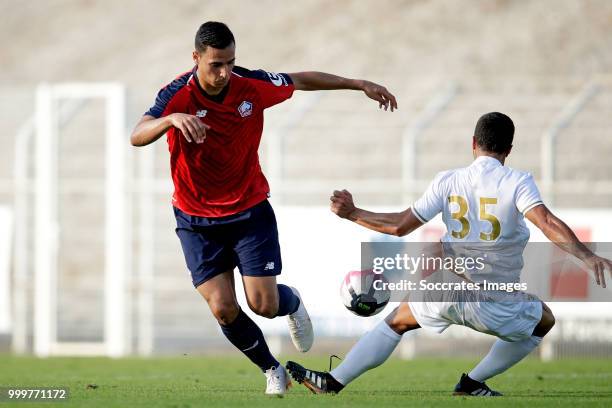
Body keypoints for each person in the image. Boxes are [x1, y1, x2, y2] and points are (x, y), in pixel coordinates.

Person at [130, 21, 398, 396]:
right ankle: (272, 369)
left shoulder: (249, 84)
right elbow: (137, 134)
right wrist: (170, 120)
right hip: (195, 219)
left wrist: (358, 84)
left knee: (264, 305)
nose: (224, 72)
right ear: (196, 58)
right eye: (216, 65)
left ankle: (292, 302)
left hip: (248, 212)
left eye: (230, 62)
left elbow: (301, 79)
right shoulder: (176, 95)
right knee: (223, 308)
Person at [286, 112, 612, 396]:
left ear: (473, 143)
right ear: (509, 150)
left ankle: (334, 380)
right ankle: (472, 382)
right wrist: (588, 257)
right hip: (494, 301)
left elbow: (400, 226)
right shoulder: (517, 181)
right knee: (544, 321)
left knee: (397, 321)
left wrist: (353, 213)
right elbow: (547, 222)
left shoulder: (448, 180)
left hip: (446, 288)